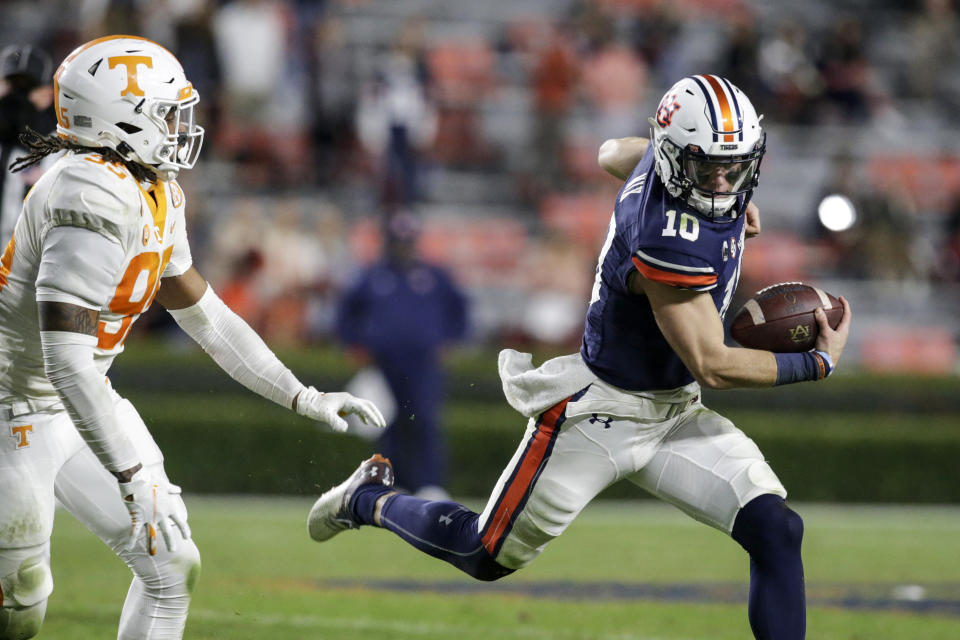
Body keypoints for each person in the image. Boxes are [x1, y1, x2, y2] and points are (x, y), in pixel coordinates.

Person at [307, 75, 852, 640]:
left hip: (673, 413)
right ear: (674, 158)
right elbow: (713, 364)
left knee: (777, 530)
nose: (721, 180)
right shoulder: (665, 238)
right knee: (484, 552)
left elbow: (613, 151)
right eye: (705, 166)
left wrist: (719, 183)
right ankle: (368, 498)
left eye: (733, 165)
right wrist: (815, 363)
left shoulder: (665, 167)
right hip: (601, 414)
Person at [0, 36, 384, 640]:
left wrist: (303, 396)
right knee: (18, 612)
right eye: (167, 111)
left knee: (172, 567)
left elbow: (207, 317)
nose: (182, 125)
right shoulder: (88, 193)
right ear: (119, 116)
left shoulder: (151, 188)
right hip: (11, 411)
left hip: (70, 406)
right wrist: (131, 477)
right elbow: (66, 361)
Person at [334, 211, 468, 498]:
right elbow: (346, 312)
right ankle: (391, 482)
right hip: (383, 362)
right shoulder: (373, 275)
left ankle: (430, 484)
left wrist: (451, 341)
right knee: (385, 423)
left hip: (423, 362)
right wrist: (353, 344)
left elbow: (460, 310)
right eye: (398, 241)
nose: (403, 247)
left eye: (407, 241)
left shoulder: (433, 275)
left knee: (424, 420)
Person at [0, 44, 56, 243]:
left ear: (48, 94)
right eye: (13, 87)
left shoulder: (62, 149)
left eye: (28, 88)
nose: (18, 97)